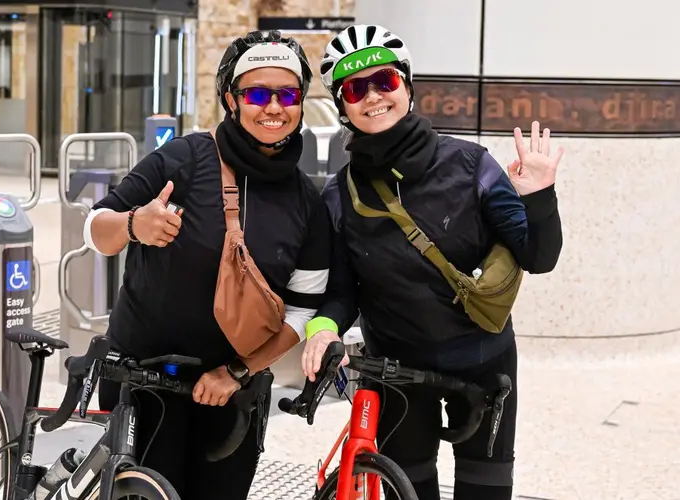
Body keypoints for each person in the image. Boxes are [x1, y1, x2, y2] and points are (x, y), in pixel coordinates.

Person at [301, 24, 565, 500]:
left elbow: (538, 257)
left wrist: (540, 197)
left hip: (484, 366)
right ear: (342, 107)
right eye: (356, 89)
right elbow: (341, 292)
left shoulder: (471, 166)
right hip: (397, 372)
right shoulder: (340, 194)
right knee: (412, 492)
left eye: (385, 81)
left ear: (407, 86)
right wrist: (322, 327)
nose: (373, 97)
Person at [82, 30, 331, 499]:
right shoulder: (184, 159)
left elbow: (301, 310)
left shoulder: (307, 201)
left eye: (287, 94)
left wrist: (237, 372)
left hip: (230, 393)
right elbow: (97, 228)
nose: (273, 107)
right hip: (146, 382)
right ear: (231, 101)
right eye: (257, 93)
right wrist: (135, 224)